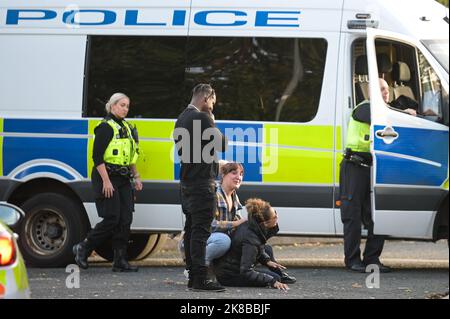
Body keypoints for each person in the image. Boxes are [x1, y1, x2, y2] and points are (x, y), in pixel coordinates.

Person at [73, 93, 142, 272]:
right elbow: (97, 157)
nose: (125, 109)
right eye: (122, 105)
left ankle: (119, 260)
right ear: (112, 106)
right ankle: (84, 247)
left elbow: (132, 155)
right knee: (112, 218)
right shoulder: (105, 127)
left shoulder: (127, 127)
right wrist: (106, 181)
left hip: (124, 178)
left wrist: (136, 177)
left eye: (127, 106)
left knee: (125, 219)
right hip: (106, 177)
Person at [173, 84, 228, 292]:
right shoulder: (204, 118)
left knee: (190, 230)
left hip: (187, 183)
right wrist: (212, 121)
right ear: (206, 98)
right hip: (201, 184)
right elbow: (222, 144)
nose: (213, 106)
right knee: (200, 233)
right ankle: (200, 280)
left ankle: (192, 276)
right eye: (213, 102)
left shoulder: (181, 118)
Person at [339, 79, 392, 273]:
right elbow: (381, 118)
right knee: (352, 216)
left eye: (385, 89)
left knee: (377, 216)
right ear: (369, 92)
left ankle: (372, 259)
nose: (383, 93)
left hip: (372, 168)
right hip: (354, 167)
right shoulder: (364, 108)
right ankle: (352, 261)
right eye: (378, 90)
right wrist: (410, 113)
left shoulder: (386, 109)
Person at [213, 198, 295, 291]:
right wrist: (272, 281)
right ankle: (278, 276)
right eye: (274, 216)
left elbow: (259, 246)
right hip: (229, 276)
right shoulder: (250, 239)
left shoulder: (254, 225)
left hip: (234, 267)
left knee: (267, 249)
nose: (277, 216)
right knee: (275, 278)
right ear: (265, 223)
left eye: (275, 212)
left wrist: (267, 260)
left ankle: (278, 273)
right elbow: (246, 271)